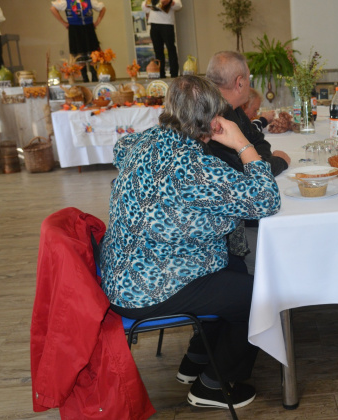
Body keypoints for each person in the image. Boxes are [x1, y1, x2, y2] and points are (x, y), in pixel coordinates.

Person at [99, 75, 281, 410]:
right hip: (147, 289)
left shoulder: (142, 142)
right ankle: (213, 385)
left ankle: (196, 358)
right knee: (262, 295)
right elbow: (266, 198)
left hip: (121, 273)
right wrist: (242, 143)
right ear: (215, 121)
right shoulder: (194, 166)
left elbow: (119, 151)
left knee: (235, 264)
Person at [205, 50, 290, 175]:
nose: (249, 86)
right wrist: (279, 161)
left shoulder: (233, 108)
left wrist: (260, 159)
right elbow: (245, 173)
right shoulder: (214, 118)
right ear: (239, 83)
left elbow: (258, 140)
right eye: (248, 80)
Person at [50, 0, 105, 82]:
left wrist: (97, 22)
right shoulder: (67, 2)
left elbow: (102, 9)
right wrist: (64, 23)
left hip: (88, 29)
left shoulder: (89, 1)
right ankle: (85, 79)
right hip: (75, 30)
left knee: (93, 55)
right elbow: (53, 9)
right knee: (80, 56)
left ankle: (94, 78)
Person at [142, 0, 181, 79]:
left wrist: (172, 3)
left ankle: (174, 74)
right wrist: (145, 4)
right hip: (154, 24)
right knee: (158, 50)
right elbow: (144, 8)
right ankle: (160, 74)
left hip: (167, 24)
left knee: (171, 49)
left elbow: (179, 5)